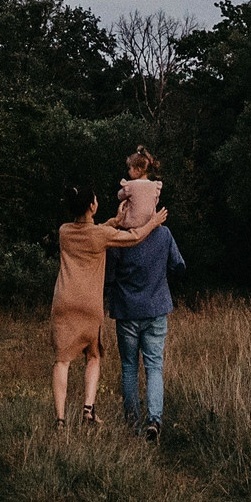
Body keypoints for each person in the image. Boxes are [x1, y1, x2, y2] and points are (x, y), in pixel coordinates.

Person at [50, 183, 165, 429]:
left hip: (63, 302)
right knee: (93, 356)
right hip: (89, 305)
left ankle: (60, 420)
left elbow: (91, 231)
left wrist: (114, 220)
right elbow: (133, 237)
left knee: (62, 360)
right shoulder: (101, 236)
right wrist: (153, 222)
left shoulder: (64, 232)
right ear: (92, 206)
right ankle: (87, 411)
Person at [104, 201, 186, 440]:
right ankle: (154, 420)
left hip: (126, 311)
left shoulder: (120, 238)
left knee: (129, 367)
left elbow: (109, 277)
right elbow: (179, 266)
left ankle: (132, 425)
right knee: (154, 366)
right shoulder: (164, 234)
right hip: (156, 309)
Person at [114, 146, 164, 230]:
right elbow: (155, 202)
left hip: (131, 226)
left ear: (138, 170)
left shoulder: (131, 185)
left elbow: (119, 195)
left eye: (130, 168)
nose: (128, 171)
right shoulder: (155, 186)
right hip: (149, 226)